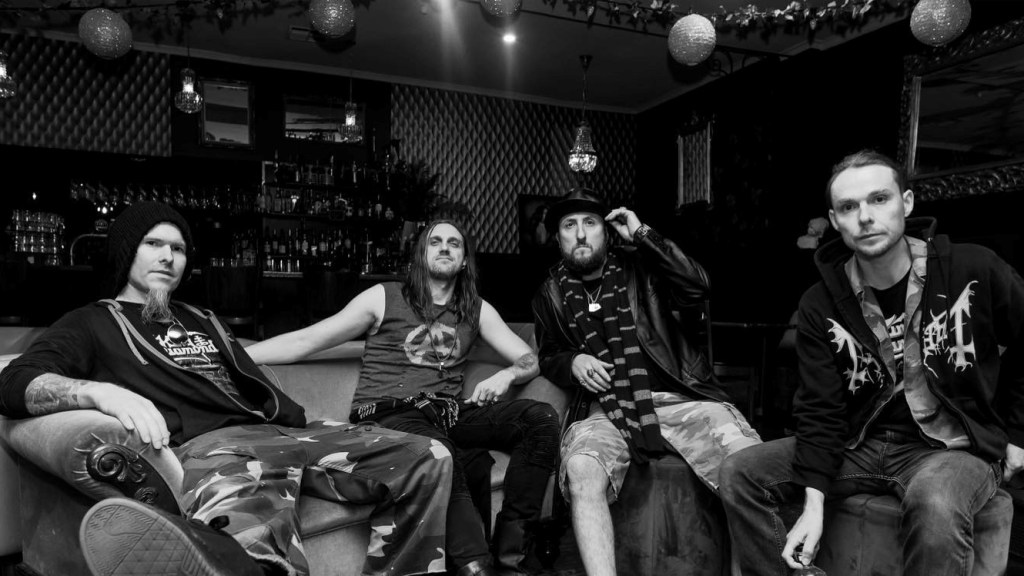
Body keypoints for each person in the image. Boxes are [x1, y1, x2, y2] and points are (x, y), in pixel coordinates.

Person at [0, 201, 453, 576]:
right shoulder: (93, 322)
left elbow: (253, 374)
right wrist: (99, 393)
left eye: (178, 248)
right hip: (215, 448)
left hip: (287, 434)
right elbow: (14, 381)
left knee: (429, 456)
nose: (167, 256)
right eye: (153, 244)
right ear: (126, 251)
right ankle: (220, 556)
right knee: (253, 540)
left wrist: (308, 419)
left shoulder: (204, 318)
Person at [719, 149, 1024, 576]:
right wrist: (813, 503)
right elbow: (820, 408)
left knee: (935, 501)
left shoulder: (972, 267)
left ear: (907, 202)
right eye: (848, 207)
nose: (865, 217)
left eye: (879, 199)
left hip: (951, 447)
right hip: (859, 445)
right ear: (835, 219)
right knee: (740, 471)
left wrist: (1018, 432)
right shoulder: (820, 302)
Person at [246, 219, 560, 576]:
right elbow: (307, 340)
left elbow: (530, 359)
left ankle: (512, 559)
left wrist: (507, 375)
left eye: (454, 243)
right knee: (441, 451)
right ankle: (476, 566)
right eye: (435, 242)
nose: (445, 247)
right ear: (420, 255)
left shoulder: (476, 309)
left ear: (463, 261)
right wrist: (234, 355)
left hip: (447, 411)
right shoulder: (384, 297)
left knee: (540, 419)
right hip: (388, 412)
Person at [530, 189, 761, 576]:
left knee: (746, 465)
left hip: (682, 398)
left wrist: (643, 235)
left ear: (607, 232)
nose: (581, 233)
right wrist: (572, 361)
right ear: (558, 238)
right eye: (569, 225)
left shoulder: (642, 266)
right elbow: (548, 354)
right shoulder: (550, 293)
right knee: (582, 468)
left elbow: (697, 286)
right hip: (608, 409)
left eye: (591, 223)